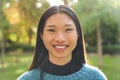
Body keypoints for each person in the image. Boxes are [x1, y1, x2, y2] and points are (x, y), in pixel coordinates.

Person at [17, 5, 107, 80]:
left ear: (78, 34)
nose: (60, 38)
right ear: (41, 35)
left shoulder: (96, 77)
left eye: (68, 29)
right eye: (51, 30)